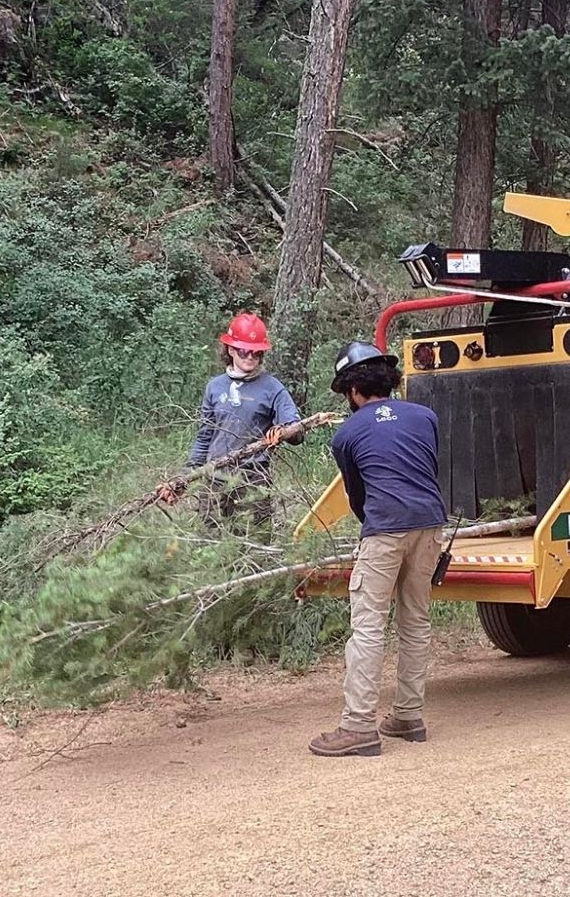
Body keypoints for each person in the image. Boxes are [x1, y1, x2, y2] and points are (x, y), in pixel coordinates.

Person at [309, 342, 448, 758]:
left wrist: (375, 526)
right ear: (389, 380)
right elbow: (428, 468)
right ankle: (408, 715)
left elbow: (358, 496)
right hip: (431, 523)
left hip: (384, 529)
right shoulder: (425, 417)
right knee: (415, 620)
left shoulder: (347, 433)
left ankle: (358, 727)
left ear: (352, 391)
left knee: (368, 627)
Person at [157, 313, 304, 523]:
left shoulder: (273, 388)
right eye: (244, 351)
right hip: (214, 478)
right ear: (231, 349)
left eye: (256, 352)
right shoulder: (215, 387)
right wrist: (184, 477)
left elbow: (296, 430)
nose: (250, 357)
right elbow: (204, 437)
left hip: (253, 480)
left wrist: (286, 431)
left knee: (254, 545)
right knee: (210, 546)